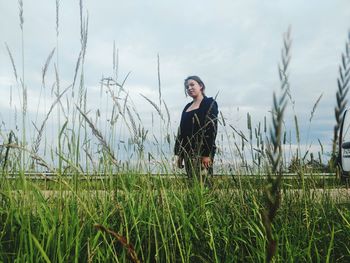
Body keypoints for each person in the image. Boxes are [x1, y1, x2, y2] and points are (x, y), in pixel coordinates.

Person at [174, 76, 218, 185]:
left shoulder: (209, 103)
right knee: (192, 182)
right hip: (187, 151)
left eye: (192, 84)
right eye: (187, 87)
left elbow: (211, 128)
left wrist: (207, 154)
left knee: (204, 183)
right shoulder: (187, 107)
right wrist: (179, 154)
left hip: (202, 151)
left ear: (201, 86)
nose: (189, 88)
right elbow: (181, 132)